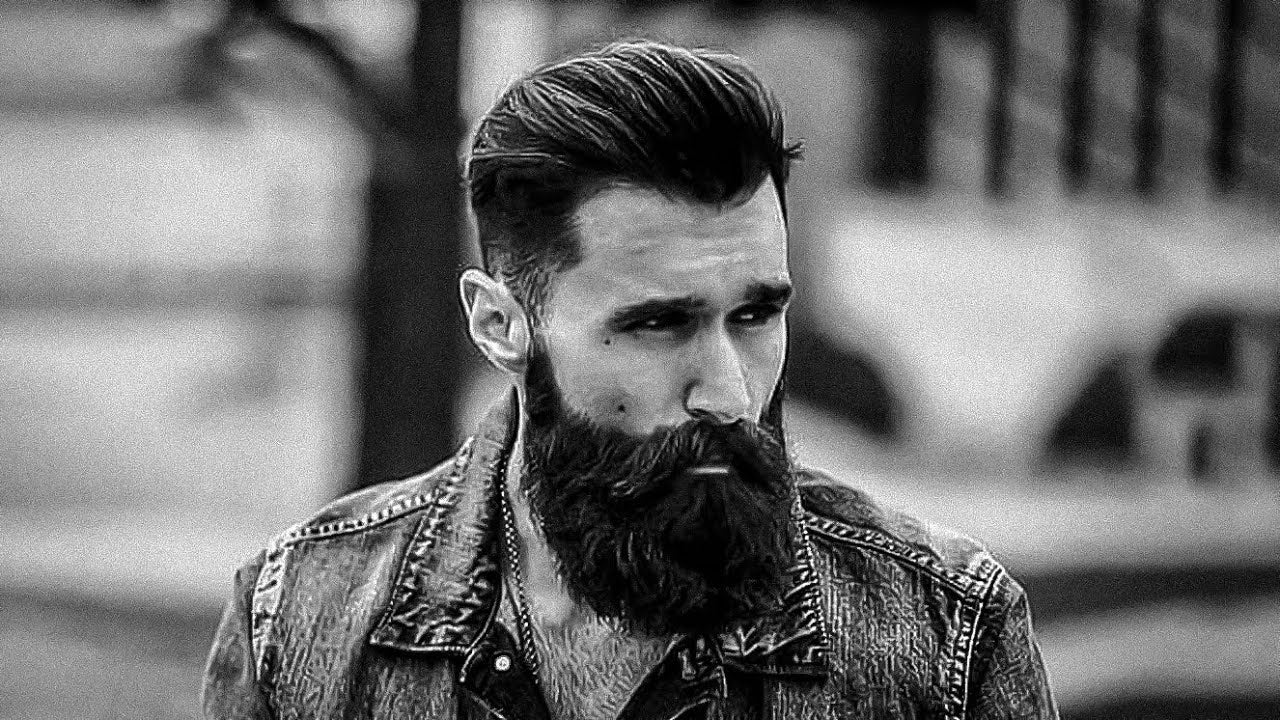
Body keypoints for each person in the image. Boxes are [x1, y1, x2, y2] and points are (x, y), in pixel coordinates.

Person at [202, 39, 1057, 720]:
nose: (729, 394)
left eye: (756, 315)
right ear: (500, 326)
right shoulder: (298, 623)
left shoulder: (945, 637)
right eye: (658, 324)